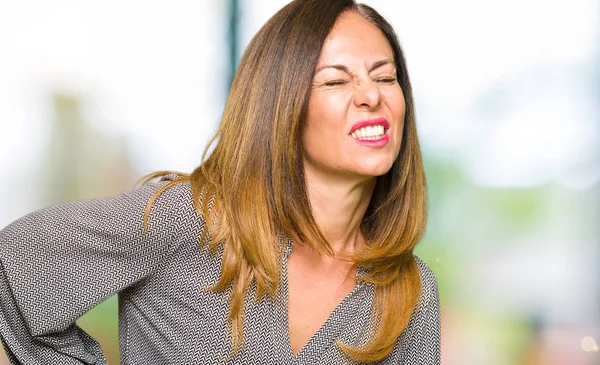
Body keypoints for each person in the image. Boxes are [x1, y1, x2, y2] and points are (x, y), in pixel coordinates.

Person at [0, 0, 440, 363]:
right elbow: (12, 264)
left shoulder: (409, 292)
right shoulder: (189, 220)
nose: (372, 95)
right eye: (335, 80)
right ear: (281, 107)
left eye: (385, 77)